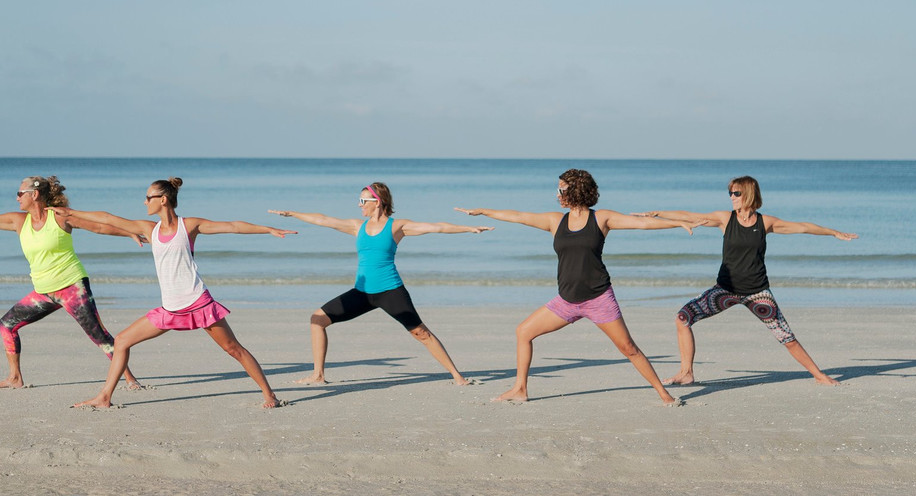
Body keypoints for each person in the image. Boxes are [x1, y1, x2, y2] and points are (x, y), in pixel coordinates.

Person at [456, 168, 697, 405]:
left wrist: (676, 223)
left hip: (598, 298)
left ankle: (664, 394)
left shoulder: (601, 218)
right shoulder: (554, 221)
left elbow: (641, 224)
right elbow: (519, 216)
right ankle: (520, 389)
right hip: (566, 301)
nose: (556, 194)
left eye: (560, 189)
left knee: (629, 348)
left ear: (575, 191)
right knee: (523, 332)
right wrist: (484, 211)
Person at [67, 177, 294, 409]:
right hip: (170, 309)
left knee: (233, 348)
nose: (145, 202)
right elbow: (108, 219)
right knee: (122, 341)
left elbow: (232, 226)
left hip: (198, 304)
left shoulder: (189, 226)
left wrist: (267, 229)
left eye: (148, 197)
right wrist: (71, 213)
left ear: (163, 200)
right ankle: (104, 397)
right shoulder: (149, 229)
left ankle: (270, 395)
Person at [0, 175, 142, 390]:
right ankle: (15, 377)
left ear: (34, 194)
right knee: (6, 324)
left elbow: (100, 227)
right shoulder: (19, 221)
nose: (17, 198)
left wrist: (129, 233)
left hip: (72, 287)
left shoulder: (59, 217)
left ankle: (130, 379)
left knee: (98, 335)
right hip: (44, 292)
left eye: (20, 193)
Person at [639, 175, 858, 387]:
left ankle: (819, 375)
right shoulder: (726, 219)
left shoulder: (765, 223)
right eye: (730, 193)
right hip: (725, 291)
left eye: (736, 193)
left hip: (757, 293)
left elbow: (802, 227)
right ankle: (686, 373)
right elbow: (690, 215)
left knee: (786, 337)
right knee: (683, 318)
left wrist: (833, 232)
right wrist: (659, 213)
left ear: (749, 194)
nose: (731, 197)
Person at [269, 182, 493, 386]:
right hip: (362, 293)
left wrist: (468, 228)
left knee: (421, 333)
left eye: (363, 201)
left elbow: (437, 227)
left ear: (377, 201)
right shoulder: (358, 226)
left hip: (391, 291)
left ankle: (457, 376)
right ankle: (318, 374)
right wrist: (293, 214)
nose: (359, 205)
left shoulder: (397, 226)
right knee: (317, 320)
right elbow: (324, 219)